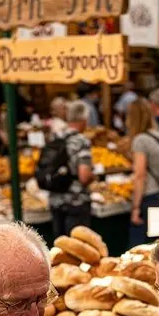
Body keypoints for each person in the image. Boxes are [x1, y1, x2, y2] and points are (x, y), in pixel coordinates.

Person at [48, 101, 94, 236]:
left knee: (60, 247)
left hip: (55, 201)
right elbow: (84, 176)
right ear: (84, 119)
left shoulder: (55, 137)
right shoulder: (81, 141)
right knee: (77, 248)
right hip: (76, 202)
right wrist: (93, 176)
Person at [128, 98, 159, 246]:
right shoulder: (158, 136)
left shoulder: (140, 140)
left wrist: (135, 207)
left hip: (148, 198)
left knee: (140, 248)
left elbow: (140, 175)